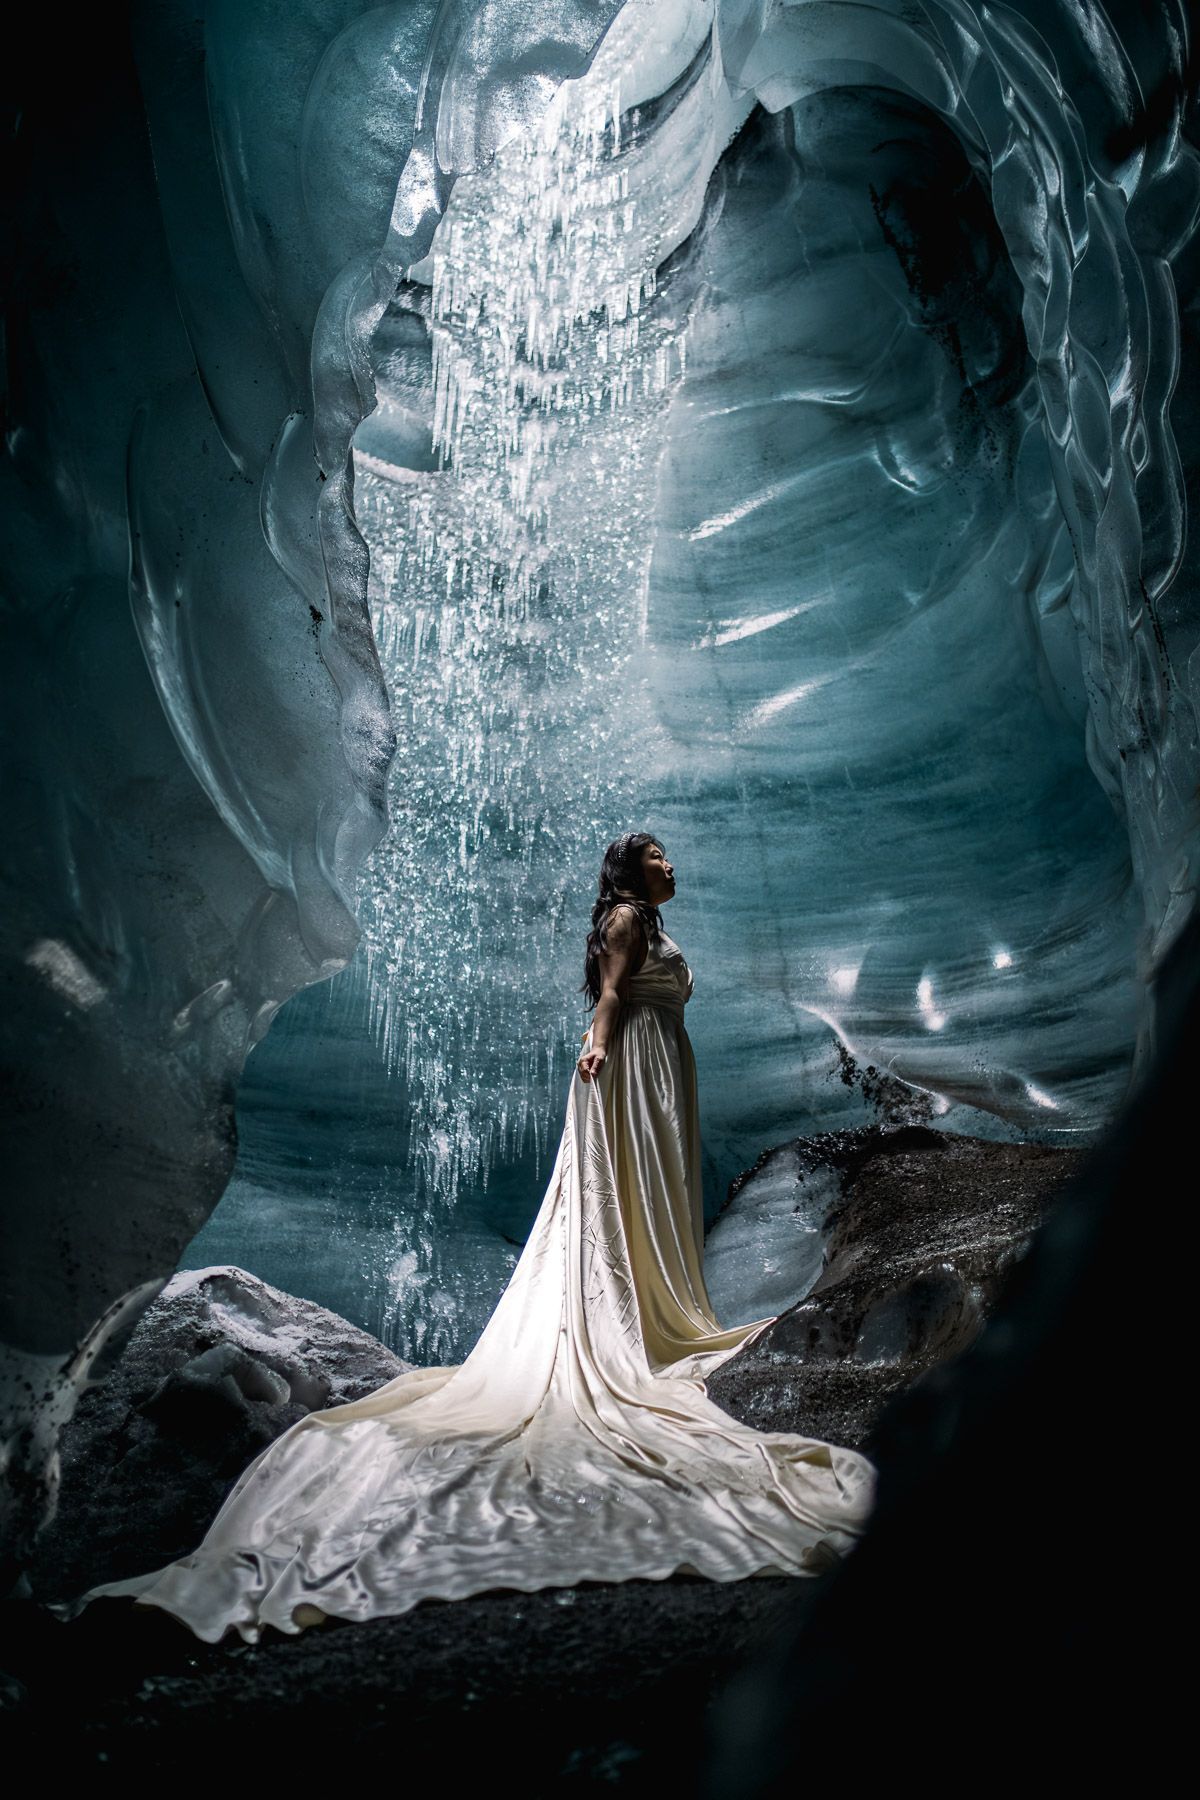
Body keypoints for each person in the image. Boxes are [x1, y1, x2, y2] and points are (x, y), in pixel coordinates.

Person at [49, 832, 875, 1644]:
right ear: (631, 871)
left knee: (653, 1193)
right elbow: (613, 998)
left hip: (661, 1067)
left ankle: (660, 1305)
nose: (671, 865)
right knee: (616, 1195)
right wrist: (594, 1054)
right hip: (625, 1068)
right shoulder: (625, 919)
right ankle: (625, 1316)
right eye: (657, 856)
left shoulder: (654, 923)